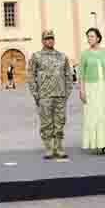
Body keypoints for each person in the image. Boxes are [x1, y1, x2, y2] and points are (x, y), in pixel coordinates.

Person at [28, 30, 74, 159]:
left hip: (60, 94)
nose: (50, 41)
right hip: (44, 95)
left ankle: (58, 147)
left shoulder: (62, 57)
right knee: (46, 123)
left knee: (60, 122)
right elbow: (31, 76)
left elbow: (68, 75)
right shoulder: (36, 56)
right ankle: (48, 147)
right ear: (42, 41)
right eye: (47, 39)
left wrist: (67, 92)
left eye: (51, 38)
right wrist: (35, 93)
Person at [78, 28, 105, 155]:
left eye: (92, 36)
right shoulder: (85, 54)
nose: (90, 39)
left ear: (98, 38)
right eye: (88, 37)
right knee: (93, 115)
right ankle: (94, 143)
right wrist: (82, 91)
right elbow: (81, 75)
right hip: (90, 88)